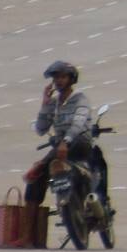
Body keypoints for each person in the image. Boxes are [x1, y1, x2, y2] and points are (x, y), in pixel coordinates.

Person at [24, 60, 109, 214]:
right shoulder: (54, 103)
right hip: (60, 148)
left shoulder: (80, 98)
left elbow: (79, 122)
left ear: (71, 79)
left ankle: (42, 165)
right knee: (36, 179)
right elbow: (41, 129)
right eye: (56, 78)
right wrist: (45, 104)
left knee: (43, 164)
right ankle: (31, 216)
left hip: (80, 143)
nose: (59, 81)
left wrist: (65, 141)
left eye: (63, 77)